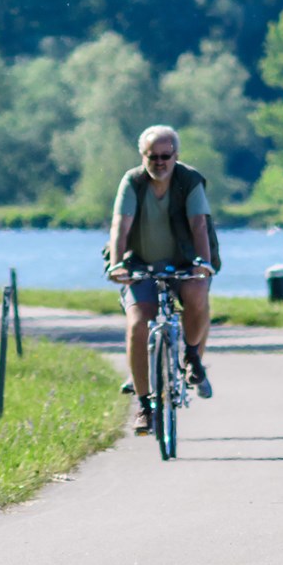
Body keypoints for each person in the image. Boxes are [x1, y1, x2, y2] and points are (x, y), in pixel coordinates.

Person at [106, 125, 218, 435]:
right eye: (152, 156)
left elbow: (199, 224)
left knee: (197, 295)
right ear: (143, 157)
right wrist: (117, 264)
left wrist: (203, 264)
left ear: (176, 156)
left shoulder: (189, 180)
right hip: (140, 263)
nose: (159, 162)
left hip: (184, 261)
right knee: (138, 324)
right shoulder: (132, 181)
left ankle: (193, 356)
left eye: (165, 156)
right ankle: (145, 405)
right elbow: (120, 226)